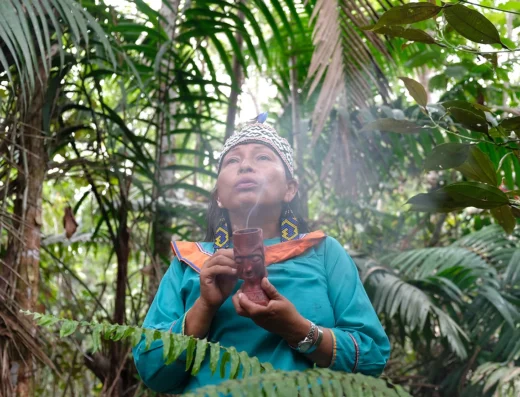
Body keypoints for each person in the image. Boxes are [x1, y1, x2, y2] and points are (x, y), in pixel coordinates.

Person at [133, 114, 390, 394]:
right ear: (219, 194)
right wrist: (204, 307)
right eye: (232, 161)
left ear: (290, 189)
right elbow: (152, 371)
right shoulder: (189, 262)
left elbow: (372, 356)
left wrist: (298, 329)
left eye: (263, 158)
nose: (245, 166)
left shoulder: (323, 253)